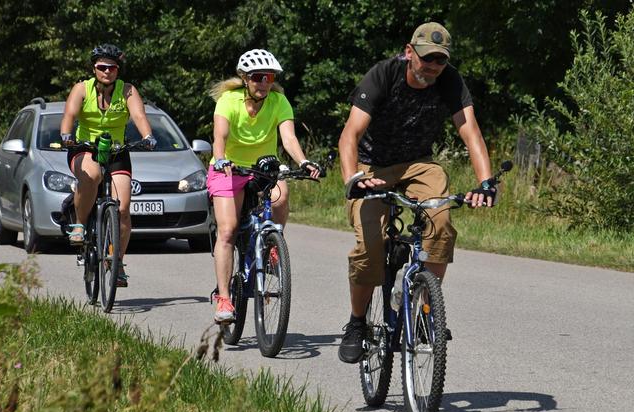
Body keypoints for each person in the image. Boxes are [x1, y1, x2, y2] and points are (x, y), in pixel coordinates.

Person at [337, 22, 496, 363]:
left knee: (440, 222)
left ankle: (425, 308)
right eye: (426, 59)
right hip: (371, 167)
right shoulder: (383, 75)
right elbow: (350, 134)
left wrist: (486, 182)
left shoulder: (449, 80)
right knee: (370, 248)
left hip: (419, 164)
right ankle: (357, 322)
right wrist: (352, 178)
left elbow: (471, 133)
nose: (432, 67)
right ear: (410, 52)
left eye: (439, 61)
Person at [208, 48, 320, 323]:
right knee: (228, 230)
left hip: (263, 168)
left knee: (281, 196)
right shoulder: (228, 100)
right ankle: (223, 298)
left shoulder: (279, 101)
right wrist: (221, 159)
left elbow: (289, 138)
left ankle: (272, 243)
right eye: (258, 77)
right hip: (229, 168)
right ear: (245, 78)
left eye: (269, 77)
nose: (264, 83)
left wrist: (304, 161)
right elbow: (219, 136)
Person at [60, 43, 156, 287]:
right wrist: (65, 135)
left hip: (116, 150)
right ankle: (80, 226)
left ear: (117, 70)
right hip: (84, 146)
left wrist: (148, 136)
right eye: (102, 67)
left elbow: (139, 116)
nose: (107, 71)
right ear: (94, 68)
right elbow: (69, 116)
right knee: (90, 175)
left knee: (123, 208)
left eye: (112, 67)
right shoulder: (82, 89)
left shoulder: (128, 90)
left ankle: (118, 261)